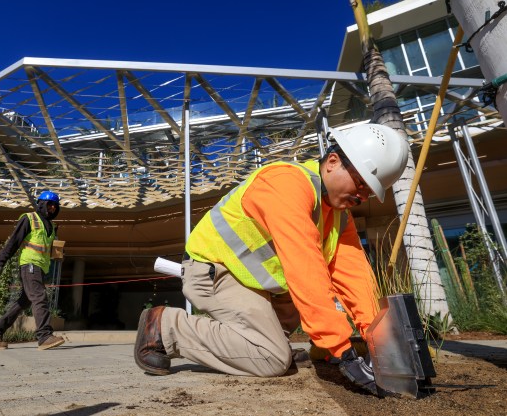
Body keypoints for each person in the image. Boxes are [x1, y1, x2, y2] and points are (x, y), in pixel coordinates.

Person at [134, 124, 409, 395]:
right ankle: (165, 326)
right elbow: (306, 269)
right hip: (215, 271)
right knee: (271, 359)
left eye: (369, 192)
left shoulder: (338, 215)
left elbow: (354, 276)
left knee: (278, 340)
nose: (362, 195)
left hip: (255, 284)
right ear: (333, 162)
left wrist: (379, 339)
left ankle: (265, 342)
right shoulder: (286, 183)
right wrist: (342, 351)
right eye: (361, 182)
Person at [0, 191, 66, 351]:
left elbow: (49, 248)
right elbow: (13, 241)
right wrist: (0, 263)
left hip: (40, 268)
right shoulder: (29, 218)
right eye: (49, 204)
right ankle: (44, 336)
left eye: (55, 206)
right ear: (41, 204)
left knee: (23, 302)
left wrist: (59, 253)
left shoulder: (50, 226)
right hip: (29, 264)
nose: (52, 208)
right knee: (39, 297)